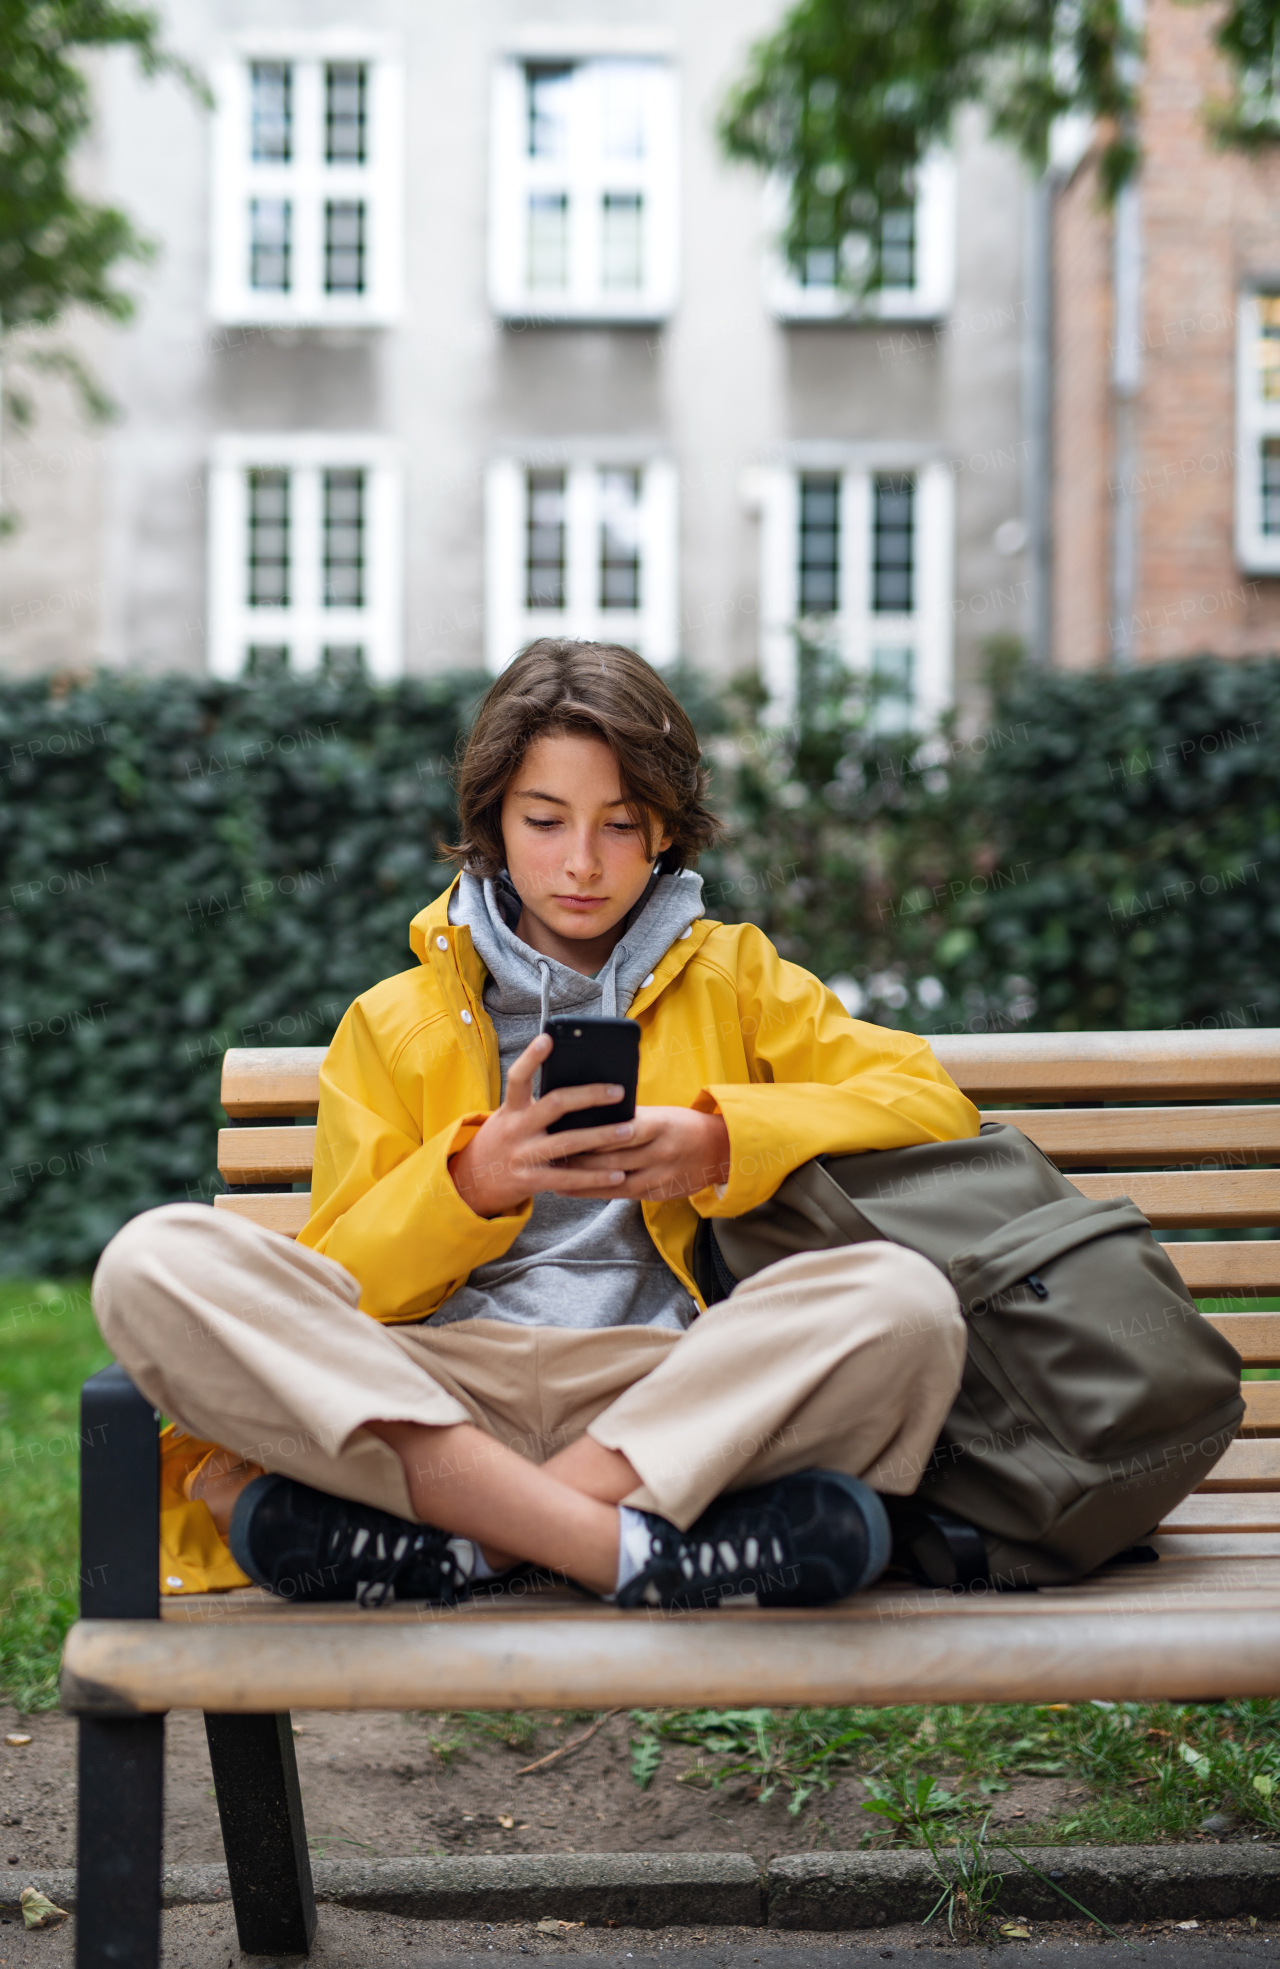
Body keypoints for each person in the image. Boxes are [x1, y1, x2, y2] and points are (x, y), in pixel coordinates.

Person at [93, 639, 979, 1613]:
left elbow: (928, 1103)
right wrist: (472, 1179)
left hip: (667, 1389)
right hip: (435, 1395)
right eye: (545, 820)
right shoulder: (393, 1021)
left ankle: (471, 1545)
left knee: (903, 1303)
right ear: (492, 824)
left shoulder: (737, 977)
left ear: (665, 834)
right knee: (150, 1262)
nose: (581, 863)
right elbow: (348, 1286)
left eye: (620, 824)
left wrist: (723, 1139)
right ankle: (633, 1551)